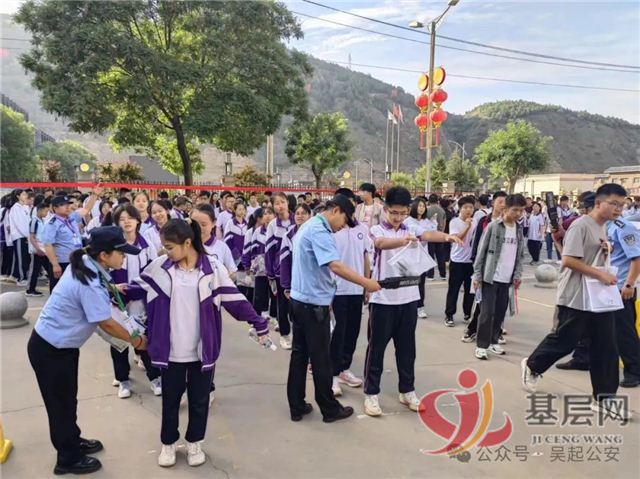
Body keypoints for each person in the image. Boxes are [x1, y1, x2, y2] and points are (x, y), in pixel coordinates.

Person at [131, 219, 271, 467]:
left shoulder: (212, 269)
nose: (165, 251)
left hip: (202, 350)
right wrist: (112, 289)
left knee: (199, 401)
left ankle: (194, 442)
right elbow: (135, 289)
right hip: (170, 351)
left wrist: (258, 322)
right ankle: (168, 443)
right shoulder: (159, 267)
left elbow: (235, 300)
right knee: (171, 401)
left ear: (187, 243)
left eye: (170, 247)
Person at [27, 226, 145, 475]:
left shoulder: (86, 262)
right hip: (51, 350)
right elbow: (106, 323)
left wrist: (113, 289)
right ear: (104, 255)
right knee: (60, 405)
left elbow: (101, 291)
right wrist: (136, 342)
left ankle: (72, 439)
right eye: (121, 253)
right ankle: (67, 459)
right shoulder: (87, 280)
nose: (124, 257)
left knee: (68, 400)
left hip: (61, 347)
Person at [521, 183, 631, 421]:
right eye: (614, 204)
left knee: (606, 347)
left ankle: (604, 398)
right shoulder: (581, 225)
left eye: (622, 205)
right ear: (598, 203)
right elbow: (568, 260)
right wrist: (600, 274)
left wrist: (605, 251)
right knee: (564, 341)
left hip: (598, 299)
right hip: (575, 297)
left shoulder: (602, 227)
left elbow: (590, 257)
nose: (618, 209)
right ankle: (532, 365)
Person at [364, 187, 461, 417]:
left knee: (407, 350)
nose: (398, 217)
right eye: (394, 213)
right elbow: (380, 244)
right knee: (376, 350)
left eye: (402, 213)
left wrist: (447, 237)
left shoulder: (411, 228)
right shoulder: (375, 230)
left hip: (408, 299)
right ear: (385, 209)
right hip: (383, 300)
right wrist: (402, 241)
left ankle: (407, 390)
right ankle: (371, 394)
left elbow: (428, 235)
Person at [287, 194, 381, 423]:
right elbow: (336, 266)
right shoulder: (319, 230)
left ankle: (296, 405)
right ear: (336, 210)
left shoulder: (309, 225)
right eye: (344, 220)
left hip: (300, 300)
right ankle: (329, 409)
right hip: (313, 304)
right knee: (321, 359)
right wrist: (366, 282)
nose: (343, 226)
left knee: (300, 356)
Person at [108, 204, 161, 399]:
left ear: (138, 220)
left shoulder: (147, 245)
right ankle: (123, 379)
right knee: (119, 340)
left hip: (141, 300)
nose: (127, 222)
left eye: (130, 218)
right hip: (119, 301)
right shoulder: (112, 245)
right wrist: (114, 289)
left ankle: (155, 377)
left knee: (144, 337)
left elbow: (154, 272)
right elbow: (104, 274)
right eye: (122, 219)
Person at [329, 189, 371, 396]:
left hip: (356, 289)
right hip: (337, 290)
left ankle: (344, 368)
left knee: (352, 332)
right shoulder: (331, 231)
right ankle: (332, 375)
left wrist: (366, 285)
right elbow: (329, 264)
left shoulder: (362, 229)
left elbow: (365, 257)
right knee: (337, 333)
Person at [473, 194, 526, 360]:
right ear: (506, 209)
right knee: (487, 313)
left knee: (500, 312)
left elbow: (520, 255)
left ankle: (494, 340)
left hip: (507, 278)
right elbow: (481, 251)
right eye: (515, 210)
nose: (518, 214)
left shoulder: (518, 229)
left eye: (521, 210)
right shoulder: (493, 226)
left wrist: (517, 275)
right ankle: (481, 345)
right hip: (491, 276)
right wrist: (477, 274)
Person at [461, 191, 507, 344]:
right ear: (493, 203)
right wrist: (476, 266)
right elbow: (477, 243)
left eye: (505, 202)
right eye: (500, 202)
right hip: (486, 267)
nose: (503, 205)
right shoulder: (484, 221)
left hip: (502, 270)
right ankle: (473, 330)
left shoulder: (509, 223)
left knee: (498, 305)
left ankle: (495, 332)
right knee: (483, 303)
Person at [42, 186, 103, 292]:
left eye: (67, 204)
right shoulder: (52, 223)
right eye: (62, 205)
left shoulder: (71, 218)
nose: (67, 207)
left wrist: (94, 195)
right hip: (62, 261)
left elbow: (86, 209)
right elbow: (48, 245)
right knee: (60, 289)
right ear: (54, 208)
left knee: (75, 288)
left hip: (76, 260)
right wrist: (55, 264)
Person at [444, 196, 477, 327]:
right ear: (460, 208)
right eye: (465, 207)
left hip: (471, 262)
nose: (468, 210)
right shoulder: (454, 222)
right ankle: (449, 314)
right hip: (457, 261)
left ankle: (467, 313)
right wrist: (467, 226)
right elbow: (458, 238)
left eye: (471, 207)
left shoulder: (475, 222)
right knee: (454, 289)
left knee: (470, 290)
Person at [265, 192, 293, 348]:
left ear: (287, 202)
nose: (280, 206)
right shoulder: (272, 226)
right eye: (277, 203)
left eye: (282, 202)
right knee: (282, 305)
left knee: (297, 305)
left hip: (299, 271)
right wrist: (270, 274)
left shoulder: (298, 220)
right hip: (280, 272)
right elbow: (269, 251)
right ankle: (285, 335)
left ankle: (298, 334)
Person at [403, 197, 436, 319]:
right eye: (419, 206)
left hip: (422, 255)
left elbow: (432, 234)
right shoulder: (407, 221)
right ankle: (409, 305)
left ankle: (420, 306)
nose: (421, 208)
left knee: (421, 283)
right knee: (409, 282)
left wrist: (434, 223)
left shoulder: (426, 222)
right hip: (410, 255)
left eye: (423, 206)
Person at [244, 207, 276, 326]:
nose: (267, 216)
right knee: (258, 295)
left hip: (275, 269)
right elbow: (251, 250)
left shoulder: (278, 231)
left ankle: (274, 317)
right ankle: (256, 320)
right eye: (265, 214)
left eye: (270, 213)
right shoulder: (257, 232)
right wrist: (249, 267)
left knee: (275, 294)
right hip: (261, 269)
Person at [25, 199, 52, 297]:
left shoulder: (43, 221)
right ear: (40, 210)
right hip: (37, 249)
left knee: (49, 267)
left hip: (43, 249)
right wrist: (37, 248)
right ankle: (30, 289)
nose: (46, 213)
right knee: (34, 270)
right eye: (45, 211)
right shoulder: (34, 221)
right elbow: (32, 236)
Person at [8, 189, 32, 285]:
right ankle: (22, 278)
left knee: (26, 257)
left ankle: (23, 276)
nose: (26, 196)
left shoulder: (25, 207)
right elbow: (19, 224)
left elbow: (29, 221)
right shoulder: (15, 208)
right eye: (23, 194)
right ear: (18, 196)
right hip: (19, 236)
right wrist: (27, 235)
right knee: (21, 258)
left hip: (27, 236)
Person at [426, 194, 447, 280]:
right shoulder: (442, 210)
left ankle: (430, 275)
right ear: (438, 201)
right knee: (440, 255)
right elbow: (444, 222)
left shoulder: (427, 210)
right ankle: (443, 274)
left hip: (430, 235)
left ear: (429, 201)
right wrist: (442, 232)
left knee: (430, 255)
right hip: (440, 234)